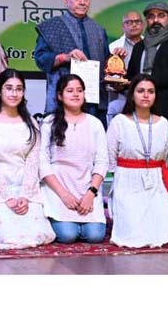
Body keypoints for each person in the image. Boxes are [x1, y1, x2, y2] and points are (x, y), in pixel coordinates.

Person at [34, 0, 120, 124]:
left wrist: (116, 60)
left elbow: (105, 64)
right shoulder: (51, 27)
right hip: (62, 102)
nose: (82, 2)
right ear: (66, 0)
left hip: (94, 101)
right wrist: (64, 57)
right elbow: (41, 59)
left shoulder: (98, 30)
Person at [0, 69, 55, 249]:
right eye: (9, 88)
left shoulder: (31, 123)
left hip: (26, 188)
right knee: (8, 236)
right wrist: (8, 197)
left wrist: (24, 195)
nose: (14, 93)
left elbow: (33, 162)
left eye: (19, 89)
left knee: (39, 235)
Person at [107, 74, 168, 248]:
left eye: (150, 92)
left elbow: (165, 158)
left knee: (162, 232)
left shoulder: (164, 124)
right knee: (132, 234)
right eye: (141, 91)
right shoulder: (120, 122)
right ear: (132, 95)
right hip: (127, 181)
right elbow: (110, 158)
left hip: (155, 182)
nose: (146, 95)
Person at [40, 74, 108, 243]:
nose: (76, 94)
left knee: (95, 236)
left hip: (87, 188)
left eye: (79, 90)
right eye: (70, 91)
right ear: (59, 96)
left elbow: (102, 162)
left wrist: (91, 193)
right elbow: (42, 162)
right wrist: (64, 194)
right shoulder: (49, 122)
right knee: (68, 235)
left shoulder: (95, 124)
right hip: (59, 188)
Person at [127, 1, 168, 123]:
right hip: (139, 109)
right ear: (147, 21)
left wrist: (145, 83)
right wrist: (118, 82)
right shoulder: (139, 47)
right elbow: (131, 76)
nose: (156, 20)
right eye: (151, 16)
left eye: (161, 15)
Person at [106, 10, 144, 124]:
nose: (134, 24)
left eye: (137, 21)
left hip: (144, 96)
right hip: (121, 97)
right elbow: (108, 77)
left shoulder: (150, 46)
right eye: (129, 22)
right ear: (123, 26)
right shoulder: (113, 47)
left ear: (142, 25)